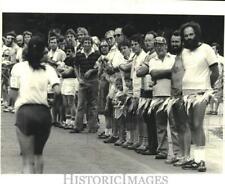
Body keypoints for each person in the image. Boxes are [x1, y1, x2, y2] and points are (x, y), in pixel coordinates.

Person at [14, 35, 60, 173]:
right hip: (43, 113)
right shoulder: (49, 69)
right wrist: (51, 100)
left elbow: (11, 94)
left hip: (25, 112)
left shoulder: (18, 67)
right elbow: (57, 90)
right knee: (38, 154)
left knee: (27, 161)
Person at [179, 21, 219, 172]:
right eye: (186, 36)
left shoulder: (206, 49)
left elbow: (215, 72)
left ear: (196, 34)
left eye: (191, 34)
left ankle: (201, 160)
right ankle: (195, 160)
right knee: (190, 125)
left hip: (202, 93)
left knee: (197, 124)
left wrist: (208, 88)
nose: (189, 38)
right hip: (186, 94)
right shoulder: (183, 52)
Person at [148, 36, 180, 160]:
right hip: (157, 95)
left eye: (161, 44)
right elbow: (153, 74)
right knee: (160, 126)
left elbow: (176, 73)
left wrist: (160, 73)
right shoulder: (152, 60)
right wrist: (169, 72)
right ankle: (162, 150)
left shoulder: (173, 58)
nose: (159, 47)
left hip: (171, 95)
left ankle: (177, 153)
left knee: (174, 125)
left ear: (166, 46)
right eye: (156, 45)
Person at [70, 36, 100, 133]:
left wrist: (92, 70)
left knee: (93, 104)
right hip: (83, 80)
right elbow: (75, 66)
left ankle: (93, 126)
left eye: (88, 42)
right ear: (82, 44)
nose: (87, 44)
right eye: (85, 43)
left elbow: (99, 67)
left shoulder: (96, 54)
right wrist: (79, 78)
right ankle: (77, 126)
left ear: (91, 44)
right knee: (80, 104)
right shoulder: (79, 54)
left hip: (94, 79)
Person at [207, 42, 224, 115]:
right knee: (210, 93)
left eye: (213, 48)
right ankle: (211, 109)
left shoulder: (221, 59)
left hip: (219, 78)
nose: (212, 50)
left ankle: (215, 110)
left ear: (217, 50)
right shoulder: (209, 58)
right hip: (210, 77)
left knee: (217, 94)